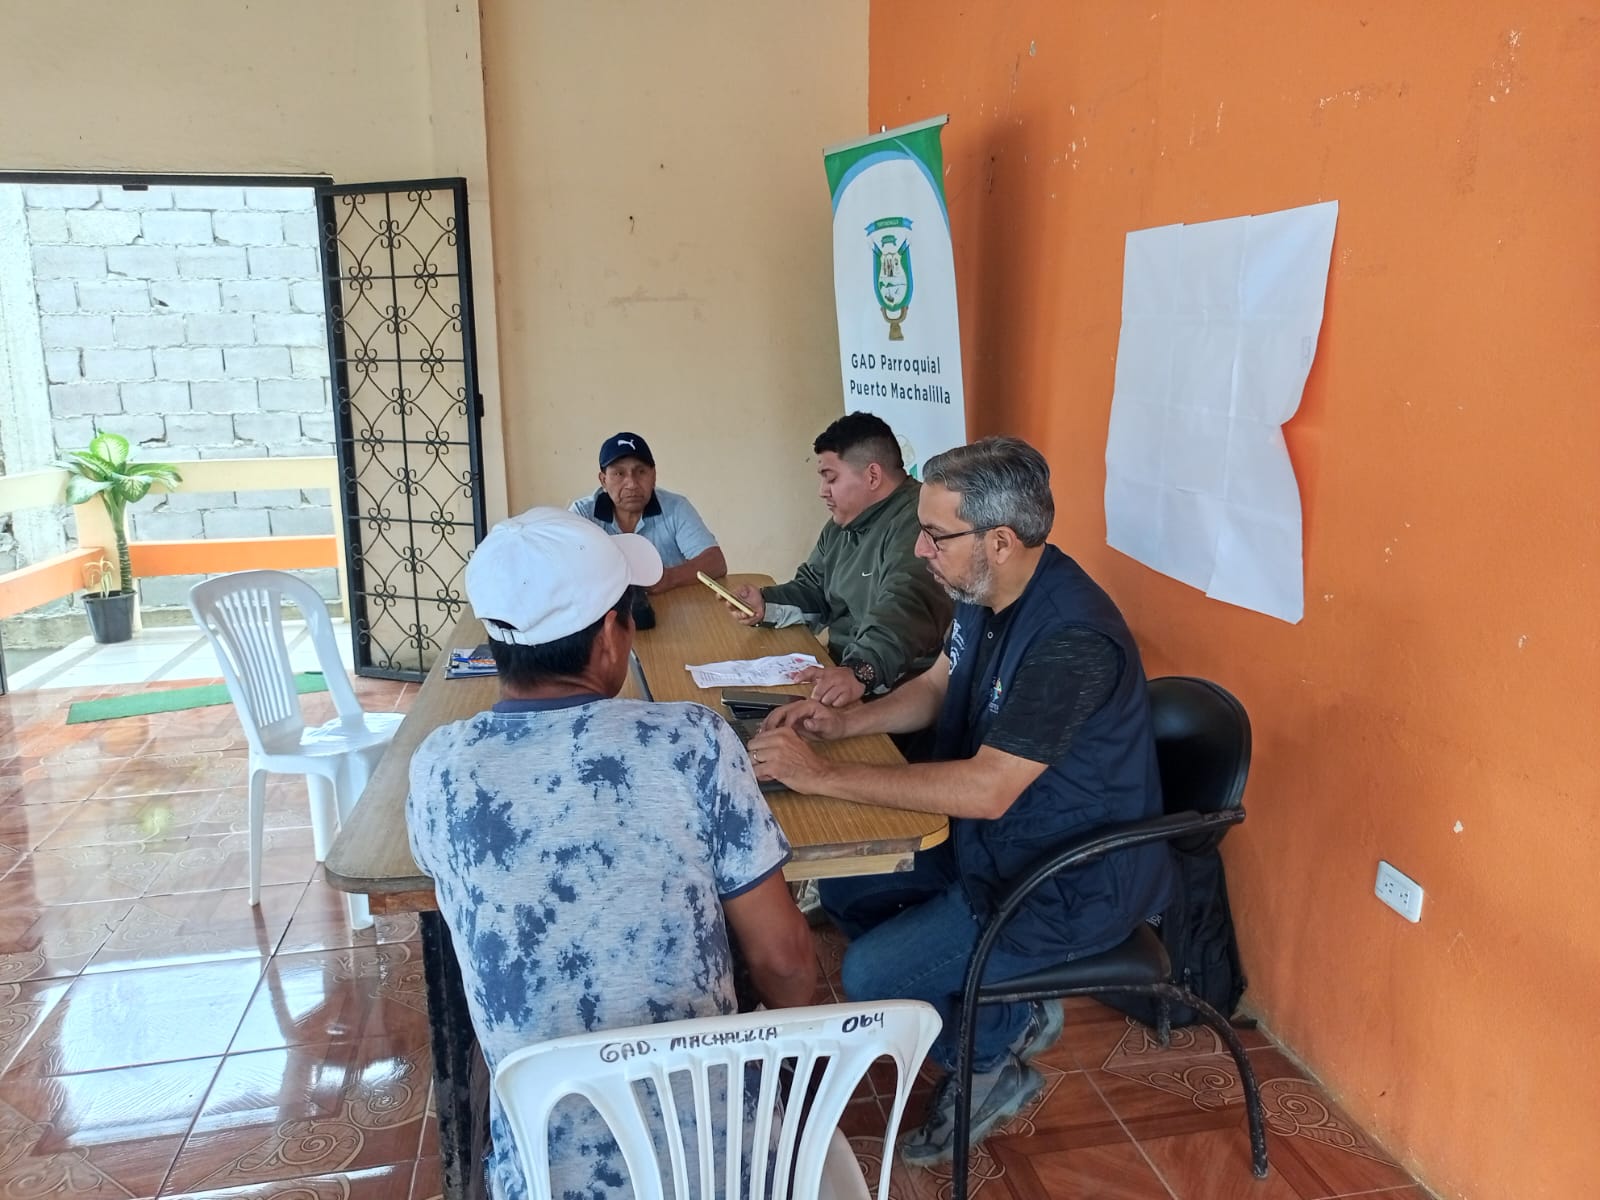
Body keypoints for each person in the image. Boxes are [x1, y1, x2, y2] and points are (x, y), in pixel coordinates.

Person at [747, 436, 1175, 1166]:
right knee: (849, 885)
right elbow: (939, 684)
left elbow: (988, 787)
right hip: (992, 844)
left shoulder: (1072, 638)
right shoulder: (985, 591)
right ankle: (1006, 1010)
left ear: (999, 541)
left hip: (1062, 881)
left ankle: (989, 1064)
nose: (919, 550)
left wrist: (821, 775)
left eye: (935, 535)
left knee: (871, 975)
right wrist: (846, 724)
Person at [407, 507, 815, 1200]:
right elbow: (784, 960)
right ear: (608, 638)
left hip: (546, 1175)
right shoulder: (694, 742)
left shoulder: (439, 767)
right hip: (721, 1168)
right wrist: (781, 1047)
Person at [724, 411, 952, 708]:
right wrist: (765, 604)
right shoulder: (841, 526)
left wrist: (859, 670)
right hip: (840, 674)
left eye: (830, 478)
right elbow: (813, 589)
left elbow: (907, 606)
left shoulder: (918, 520)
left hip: (894, 690)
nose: (822, 492)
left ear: (872, 476)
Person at [571, 431, 728, 592]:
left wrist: (666, 579)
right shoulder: (582, 514)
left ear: (653, 476)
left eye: (641, 472)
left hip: (671, 602)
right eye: (619, 473)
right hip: (607, 605)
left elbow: (716, 562)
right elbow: (566, 571)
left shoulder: (676, 507)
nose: (632, 484)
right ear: (603, 480)